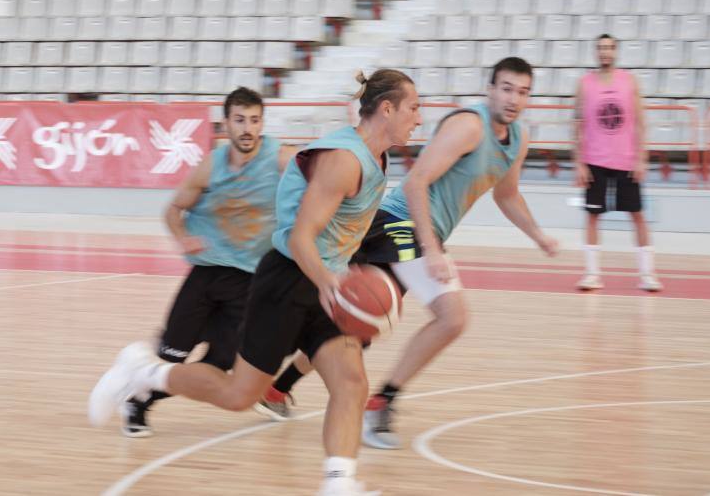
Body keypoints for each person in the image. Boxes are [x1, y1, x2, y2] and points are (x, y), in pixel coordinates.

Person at [89, 69, 423, 495]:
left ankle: (339, 485)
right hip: (288, 280)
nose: (418, 118)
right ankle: (146, 372)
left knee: (352, 383)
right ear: (387, 108)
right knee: (238, 395)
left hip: (323, 282)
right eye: (413, 108)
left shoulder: (376, 156)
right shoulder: (343, 159)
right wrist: (333, 286)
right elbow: (302, 237)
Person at [257, 57, 559, 451]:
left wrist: (538, 235)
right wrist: (432, 249)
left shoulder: (517, 139)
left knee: (354, 327)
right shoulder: (469, 126)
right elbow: (416, 182)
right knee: (453, 316)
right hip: (400, 223)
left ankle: (278, 390)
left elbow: (507, 193)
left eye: (522, 91)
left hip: (415, 233)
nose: (514, 98)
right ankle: (380, 403)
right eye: (506, 88)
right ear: (490, 90)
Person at [121, 87, 295, 437]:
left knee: (218, 365)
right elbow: (173, 210)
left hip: (249, 282)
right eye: (240, 120)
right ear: (225, 124)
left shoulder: (280, 158)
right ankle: (140, 393)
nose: (247, 128)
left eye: (255, 120)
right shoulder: (211, 166)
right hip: (207, 276)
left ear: (263, 124)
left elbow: (319, 173)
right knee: (173, 357)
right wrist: (182, 236)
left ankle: (143, 400)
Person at [573, 34, 662, 292]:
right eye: (600, 48)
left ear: (616, 51)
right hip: (594, 160)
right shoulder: (585, 83)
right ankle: (592, 274)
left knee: (638, 216)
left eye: (609, 48)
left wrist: (642, 158)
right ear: (595, 51)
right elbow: (577, 124)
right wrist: (578, 162)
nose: (605, 52)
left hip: (626, 160)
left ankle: (648, 274)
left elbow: (641, 122)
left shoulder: (629, 81)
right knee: (592, 216)